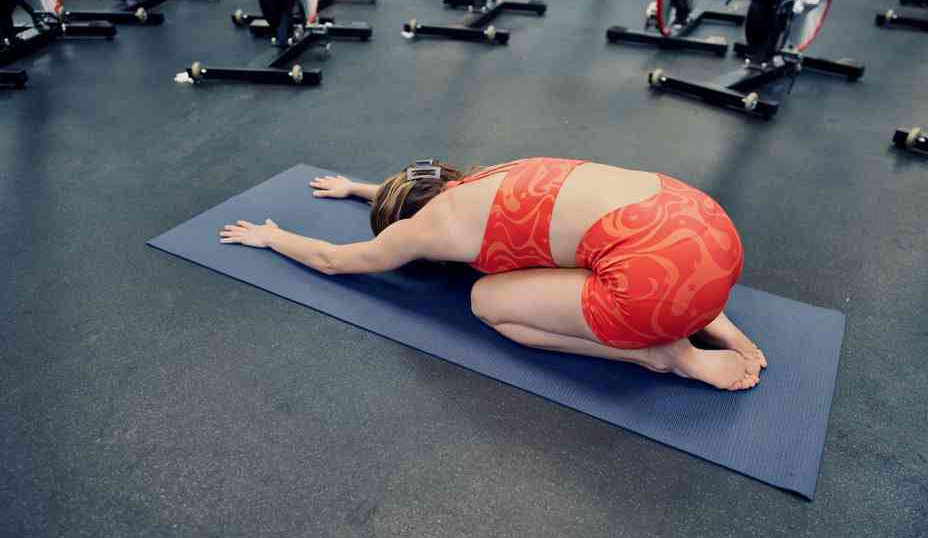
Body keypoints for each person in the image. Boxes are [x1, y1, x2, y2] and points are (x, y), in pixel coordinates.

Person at [219, 158, 766, 391]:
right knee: (595, 240)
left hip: (662, 291)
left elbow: (335, 259)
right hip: (711, 230)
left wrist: (273, 237)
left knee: (485, 301)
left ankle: (671, 354)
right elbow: (420, 183)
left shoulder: (424, 230)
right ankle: (716, 319)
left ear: (403, 224)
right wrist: (359, 187)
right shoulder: (485, 179)